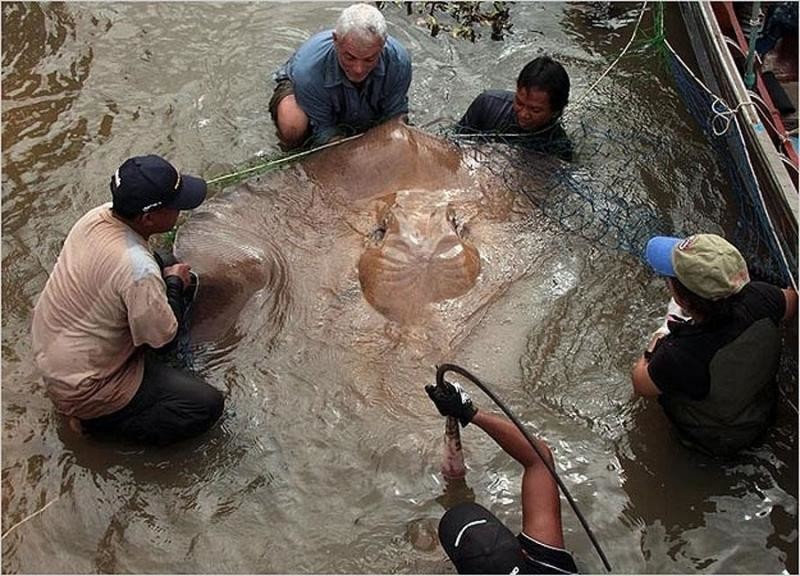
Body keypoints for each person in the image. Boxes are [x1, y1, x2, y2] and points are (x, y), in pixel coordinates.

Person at [31, 155, 225, 446]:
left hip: (55, 355)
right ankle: (96, 424)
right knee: (205, 404)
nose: (180, 210)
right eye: (175, 205)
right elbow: (163, 340)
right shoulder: (139, 271)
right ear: (148, 218)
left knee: (166, 262)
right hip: (87, 387)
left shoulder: (96, 217)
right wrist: (173, 283)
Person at [631, 233, 798, 456]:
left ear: (682, 300)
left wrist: (658, 338)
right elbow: (792, 302)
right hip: (762, 414)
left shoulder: (679, 354)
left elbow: (640, 383)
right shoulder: (762, 298)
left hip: (711, 442)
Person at [425, 380, 578, 574]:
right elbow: (539, 460)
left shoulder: (549, 567)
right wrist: (469, 413)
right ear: (524, 553)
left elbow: (539, 460)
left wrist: (469, 412)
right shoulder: (550, 566)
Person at [269, 3, 412, 149]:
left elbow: (395, 116)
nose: (358, 69)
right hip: (306, 89)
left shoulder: (399, 62)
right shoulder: (307, 72)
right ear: (335, 40)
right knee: (292, 123)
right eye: (350, 57)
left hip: (350, 100)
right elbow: (324, 132)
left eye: (369, 59)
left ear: (383, 44)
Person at [456, 55, 573, 161]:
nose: (523, 114)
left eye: (535, 110)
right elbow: (453, 147)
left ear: (555, 111)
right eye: (519, 103)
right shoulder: (487, 104)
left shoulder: (559, 149)